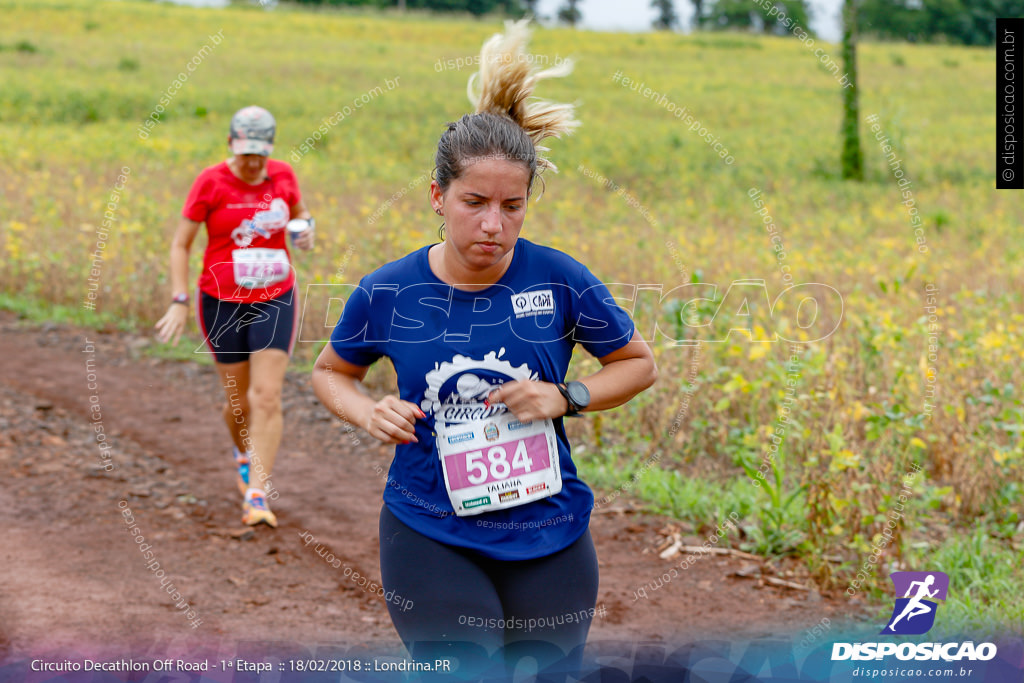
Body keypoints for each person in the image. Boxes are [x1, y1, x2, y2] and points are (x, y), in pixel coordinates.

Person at [311, 21, 656, 680]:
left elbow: (638, 363)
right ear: (438, 197)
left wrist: (566, 394)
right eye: (474, 202)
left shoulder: (560, 279)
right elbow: (332, 373)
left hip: (550, 531)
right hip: (430, 530)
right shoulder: (387, 291)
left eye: (512, 205)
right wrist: (365, 411)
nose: (493, 224)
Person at [155, 105, 314, 528]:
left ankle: (258, 494)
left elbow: (299, 215)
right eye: (245, 154)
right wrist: (177, 298)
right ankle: (242, 452)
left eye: (260, 154)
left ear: (270, 149)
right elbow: (180, 244)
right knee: (238, 402)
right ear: (231, 145)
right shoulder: (210, 182)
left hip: (274, 296)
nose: (253, 162)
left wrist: (305, 229)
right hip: (221, 301)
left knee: (267, 396)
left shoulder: (282, 176)